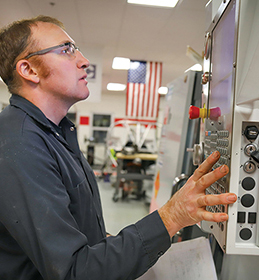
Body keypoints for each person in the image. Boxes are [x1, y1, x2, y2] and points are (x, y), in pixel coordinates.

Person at [0, 16, 237, 280]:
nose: (83, 61)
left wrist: (140, 244)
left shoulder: (57, 134)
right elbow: (73, 272)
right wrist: (171, 217)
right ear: (29, 70)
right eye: (66, 49)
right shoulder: (20, 145)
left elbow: (82, 236)